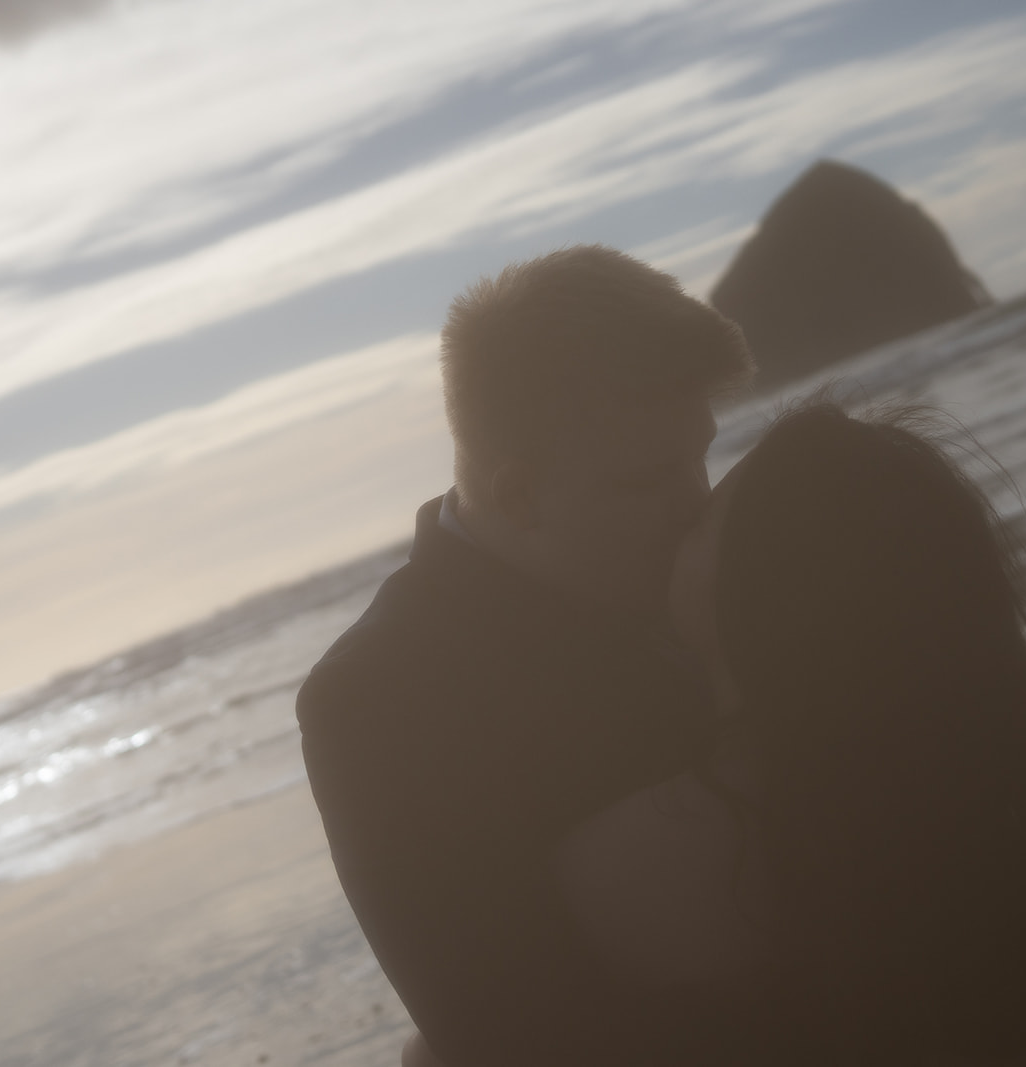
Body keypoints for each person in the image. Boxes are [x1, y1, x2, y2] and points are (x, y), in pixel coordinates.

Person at [554, 402, 1026, 1066]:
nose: (680, 518)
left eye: (700, 525)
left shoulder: (623, 862)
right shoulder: (994, 819)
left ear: (765, 590)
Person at [295, 245, 755, 1067]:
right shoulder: (378, 697)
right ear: (520, 494)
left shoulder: (715, 565)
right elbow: (511, 1034)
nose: (698, 502)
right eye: (648, 479)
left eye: (701, 454)